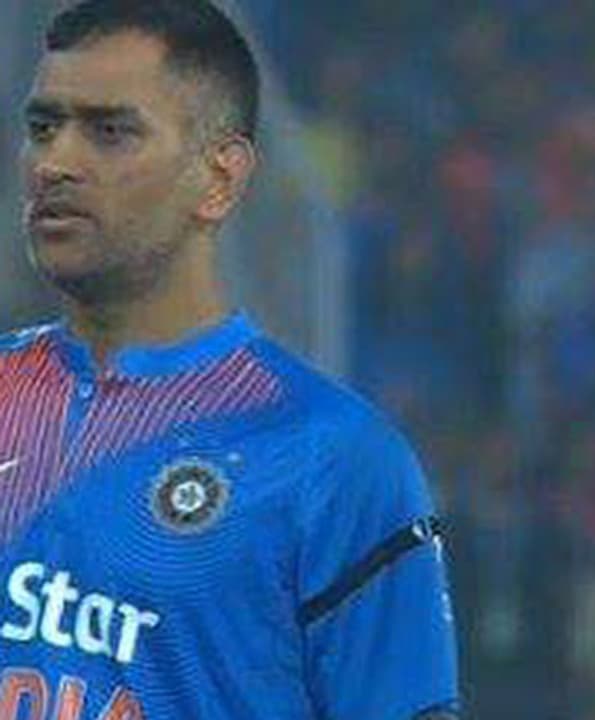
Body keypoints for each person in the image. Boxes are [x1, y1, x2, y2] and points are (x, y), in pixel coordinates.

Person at [0, 1, 458, 717]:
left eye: (110, 131)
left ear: (220, 178)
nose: (56, 162)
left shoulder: (334, 458)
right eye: (43, 128)